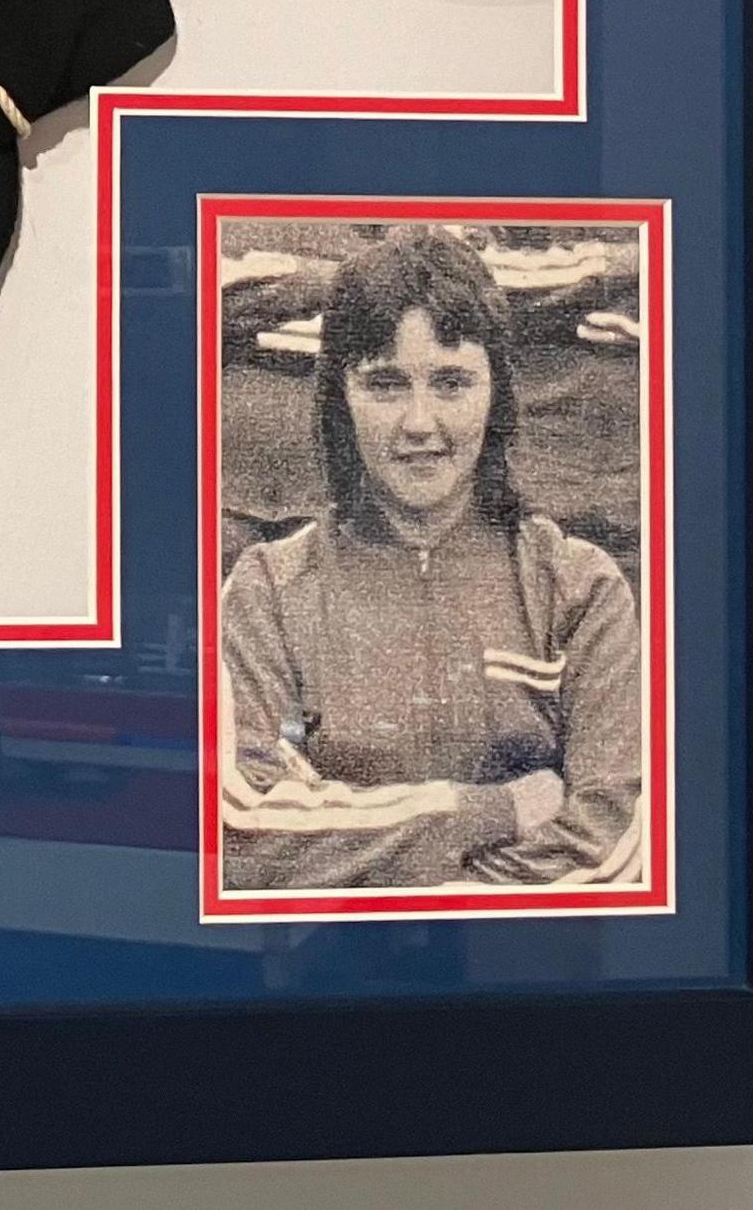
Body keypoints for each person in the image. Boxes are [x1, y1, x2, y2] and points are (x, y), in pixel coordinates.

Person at [216, 229, 644, 892]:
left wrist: (433, 895)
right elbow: (239, 829)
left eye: (451, 382)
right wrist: (491, 808)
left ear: (497, 395)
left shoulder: (579, 587)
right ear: (339, 398)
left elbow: (611, 844)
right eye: (385, 383)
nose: (421, 421)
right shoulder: (268, 589)